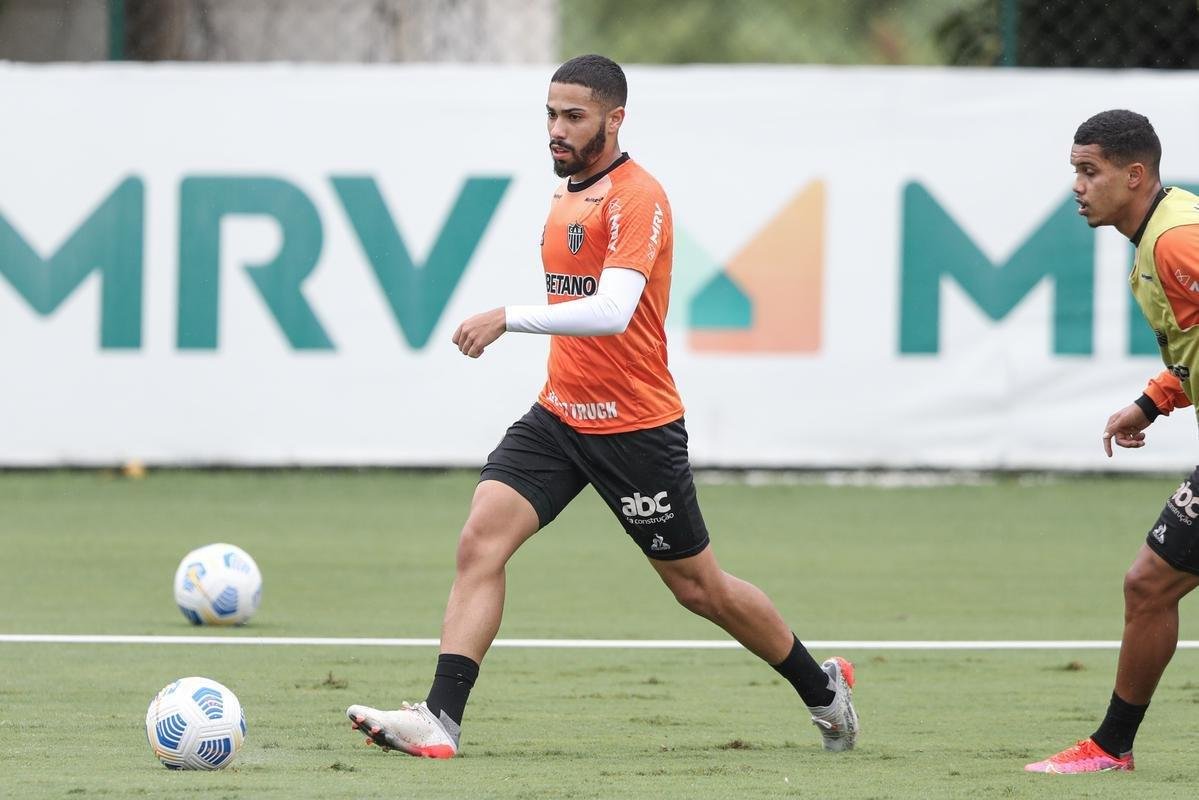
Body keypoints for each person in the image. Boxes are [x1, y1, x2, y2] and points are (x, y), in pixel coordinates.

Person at [344, 54, 858, 759]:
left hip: (634, 427)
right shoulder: (568, 191)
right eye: (550, 115)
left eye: (573, 117)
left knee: (699, 589)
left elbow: (613, 311)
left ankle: (821, 689)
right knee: (480, 541)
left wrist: (507, 317)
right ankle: (441, 719)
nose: (556, 129)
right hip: (559, 415)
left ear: (614, 119)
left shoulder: (637, 197)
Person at [1026, 109, 1199, 774]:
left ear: (1133, 175)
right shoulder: (1160, 235)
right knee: (1148, 586)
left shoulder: (1176, 241)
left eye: (1089, 171)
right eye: (1074, 170)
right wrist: (1151, 402)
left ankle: (1109, 746)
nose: (1077, 185)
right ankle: (1111, 745)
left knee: (1148, 585)